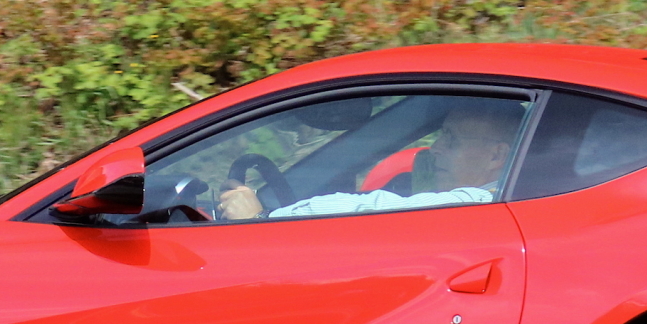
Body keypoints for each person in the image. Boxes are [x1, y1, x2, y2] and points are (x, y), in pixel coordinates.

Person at [215, 103, 519, 221]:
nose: (435, 149)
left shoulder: (475, 203)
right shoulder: (503, 202)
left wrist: (264, 219)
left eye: (451, 139)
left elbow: (370, 208)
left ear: (497, 156)